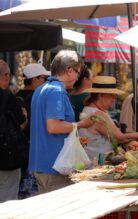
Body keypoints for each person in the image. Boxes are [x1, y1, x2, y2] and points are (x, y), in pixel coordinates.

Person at [29, 50, 93, 194]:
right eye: (78, 72)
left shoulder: (41, 89)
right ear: (69, 70)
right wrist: (81, 124)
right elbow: (53, 127)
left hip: (41, 164)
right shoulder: (56, 91)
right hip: (55, 167)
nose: (77, 78)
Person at [79, 76, 138, 160]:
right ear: (101, 96)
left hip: (92, 160)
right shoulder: (98, 115)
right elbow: (121, 138)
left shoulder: (88, 109)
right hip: (98, 163)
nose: (114, 99)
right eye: (112, 95)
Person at [16, 63, 50, 199]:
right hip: (34, 153)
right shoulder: (38, 98)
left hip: (18, 153)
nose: (45, 82)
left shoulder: (16, 97)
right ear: (35, 79)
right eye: (44, 78)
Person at [0, 60, 27, 202]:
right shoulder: (8, 98)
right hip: (6, 161)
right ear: (6, 75)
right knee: (7, 202)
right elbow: (22, 123)